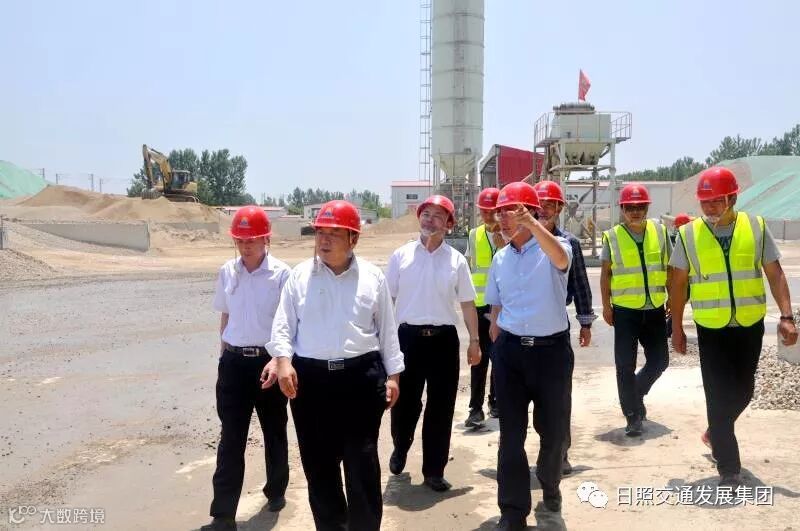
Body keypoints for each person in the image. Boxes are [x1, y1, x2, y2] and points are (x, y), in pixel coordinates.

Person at [262, 200, 404, 530]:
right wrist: (283, 362)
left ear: (354, 238)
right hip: (311, 384)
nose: (323, 240)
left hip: (360, 380)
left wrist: (394, 376)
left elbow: (387, 331)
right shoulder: (299, 277)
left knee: (362, 464)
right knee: (319, 467)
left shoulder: (373, 277)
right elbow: (282, 327)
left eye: (334, 234)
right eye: (319, 233)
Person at [670, 166, 798, 487]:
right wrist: (676, 327)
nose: (710, 207)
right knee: (716, 394)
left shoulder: (755, 227)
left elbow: (775, 273)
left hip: (748, 324)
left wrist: (786, 316)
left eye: (716, 200)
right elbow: (678, 284)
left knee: (744, 391)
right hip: (711, 328)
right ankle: (728, 467)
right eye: (705, 201)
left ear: (732, 198)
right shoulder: (688, 235)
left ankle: (716, 430)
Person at [485, 181, 574, 529]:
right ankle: (513, 511)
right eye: (500, 213)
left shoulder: (555, 248)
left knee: (553, 432)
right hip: (510, 353)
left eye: (511, 212)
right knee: (511, 435)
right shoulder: (500, 258)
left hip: (551, 354)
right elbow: (496, 303)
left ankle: (550, 485)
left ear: (531, 213)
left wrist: (533, 225)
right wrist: (494, 334)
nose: (503, 220)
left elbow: (562, 259)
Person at [386, 194, 481, 492]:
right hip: (407, 340)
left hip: (443, 342)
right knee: (404, 404)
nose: (430, 220)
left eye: (438, 215)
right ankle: (401, 446)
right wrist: (382, 343)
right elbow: (387, 302)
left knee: (441, 407)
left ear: (449, 225)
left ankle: (434, 471)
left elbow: (467, 303)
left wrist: (474, 341)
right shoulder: (401, 256)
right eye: (426, 214)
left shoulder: (456, 261)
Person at [206, 206, 290, 530]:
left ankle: (276, 489)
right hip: (233, 365)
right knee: (231, 437)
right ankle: (223, 514)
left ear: (266, 238)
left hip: (268, 364)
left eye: (251, 240)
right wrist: (223, 354)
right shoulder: (227, 272)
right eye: (240, 240)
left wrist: (278, 360)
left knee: (274, 430)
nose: (245, 246)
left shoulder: (282, 274)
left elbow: (289, 324)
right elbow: (225, 315)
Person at [533, 179, 597, 475]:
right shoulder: (521, 240)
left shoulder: (569, 243)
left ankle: (560, 453)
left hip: (556, 328)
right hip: (521, 331)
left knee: (559, 399)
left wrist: (585, 323)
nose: (544, 210)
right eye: (539, 205)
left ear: (559, 209)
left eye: (550, 205)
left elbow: (580, 283)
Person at [600, 183, 671, 437]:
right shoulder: (613, 236)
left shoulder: (660, 232)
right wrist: (606, 306)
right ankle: (632, 415)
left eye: (640, 207)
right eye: (630, 207)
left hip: (654, 308)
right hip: (625, 311)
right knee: (624, 365)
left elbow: (670, 268)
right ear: (622, 209)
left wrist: (673, 299)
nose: (635, 212)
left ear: (647, 207)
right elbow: (606, 274)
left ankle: (636, 391)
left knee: (660, 361)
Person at [464, 187, 504, 428]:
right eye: (484, 211)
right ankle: (475, 408)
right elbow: (469, 268)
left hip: (503, 306)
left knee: (499, 356)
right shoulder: (473, 235)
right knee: (479, 358)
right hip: (480, 305)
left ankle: (496, 401)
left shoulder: (510, 234)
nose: (488, 216)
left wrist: (504, 244)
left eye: (492, 211)